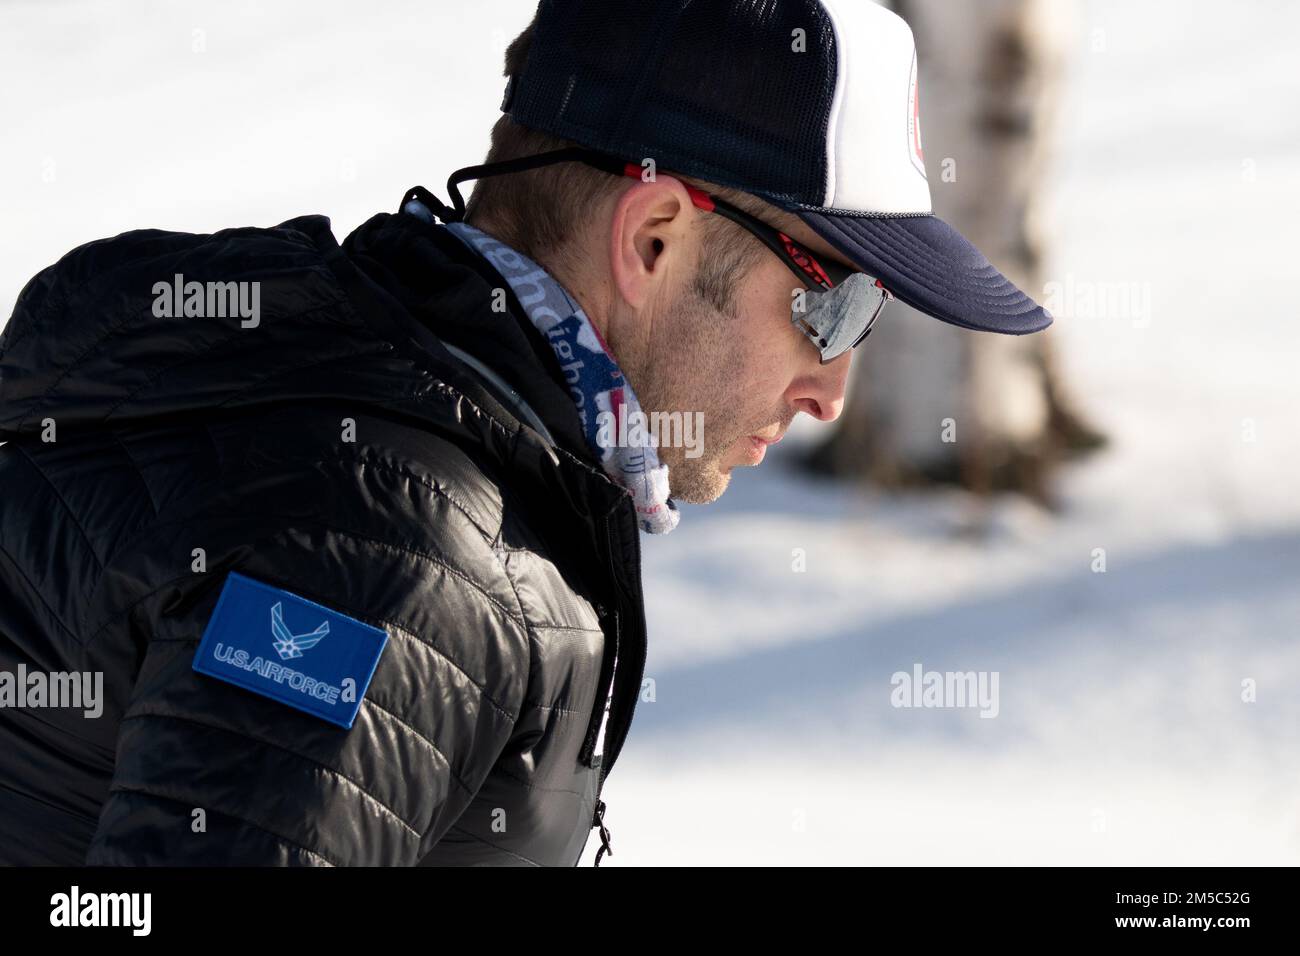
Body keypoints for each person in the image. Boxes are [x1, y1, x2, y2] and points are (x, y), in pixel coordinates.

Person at [0, 0, 1051, 866]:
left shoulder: (360, 409)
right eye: (835, 304)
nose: (832, 388)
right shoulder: (398, 554)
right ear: (652, 237)